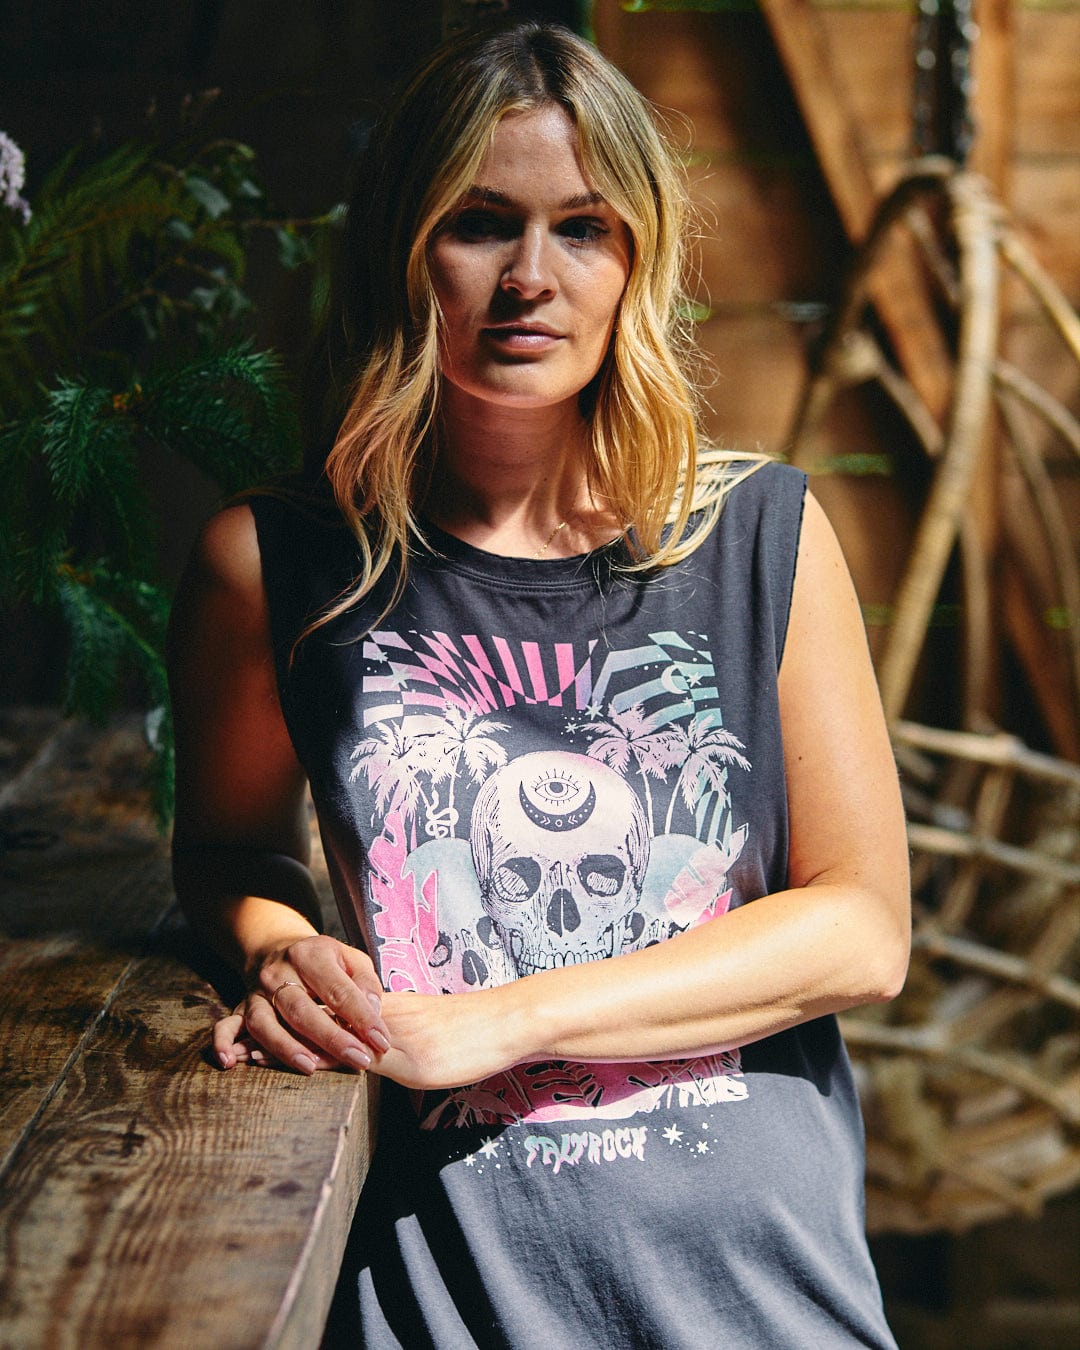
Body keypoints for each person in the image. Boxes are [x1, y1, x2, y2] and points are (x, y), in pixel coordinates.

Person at [168, 20, 910, 1348]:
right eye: (479, 223)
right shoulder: (275, 568)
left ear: (637, 263)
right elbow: (229, 847)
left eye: (583, 229)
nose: (530, 277)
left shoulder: (758, 541)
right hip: (467, 1296)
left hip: (769, 1297)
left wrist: (485, 1024)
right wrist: (282, 952)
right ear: (403, 247)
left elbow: (862, 926)